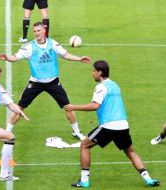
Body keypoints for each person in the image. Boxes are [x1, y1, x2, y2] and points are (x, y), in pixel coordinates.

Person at [64, 60, 160, 188]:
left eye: (94, 71)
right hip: (123, 125)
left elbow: (95, 106)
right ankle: (148, 179)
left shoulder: (100, 87)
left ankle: (84, 180)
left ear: (100, 72)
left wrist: (73, 107)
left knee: (84, 145)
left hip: (109, 126)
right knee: (130, 152)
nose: (92, 74)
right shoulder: (115, 85)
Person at [0, 21, 92, 141]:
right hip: (35, 83)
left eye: (38, 31)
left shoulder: (53, 44)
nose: (36, 33)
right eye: (34, 31)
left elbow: (65, 55)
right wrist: (7, 58)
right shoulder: (29, 47)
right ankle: (7, 132)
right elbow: (15, 57)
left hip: (53, 82)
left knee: (68, 106)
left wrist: (80, 59)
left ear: (44, 31)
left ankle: (76, 131)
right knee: (20, 107)